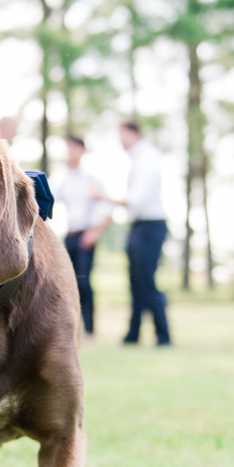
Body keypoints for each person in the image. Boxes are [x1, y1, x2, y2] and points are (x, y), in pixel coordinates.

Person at [94, 121, 171, 346]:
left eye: (121, 135)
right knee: (136, 281)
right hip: (140, 226)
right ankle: (133, 334)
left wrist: (103, 197)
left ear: (132, 133)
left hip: (150, 226)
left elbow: (136, 200)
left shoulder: (146, 159)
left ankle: (163, 334)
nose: (119, 140)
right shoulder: (140, 158)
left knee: (145, 281)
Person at [54, 136, 111, 344]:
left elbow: (109, 209)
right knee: (67, 285)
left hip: (86, 237)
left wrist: (96, 231)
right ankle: (70, 329)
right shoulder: (63, 179)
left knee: (84, 283)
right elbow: (49, 200)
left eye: (73, 148)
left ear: (81, 150)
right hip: (69, 237)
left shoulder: (92, 179)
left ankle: (90, 331)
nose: (70, 152)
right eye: (67, 148)